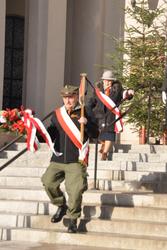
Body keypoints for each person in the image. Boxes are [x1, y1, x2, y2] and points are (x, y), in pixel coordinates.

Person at [41, 85, 98, 233]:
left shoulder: (85, 112)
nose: (68, 100)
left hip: (75, 159)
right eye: (65, 97)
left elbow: (96, 133)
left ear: (75, 97)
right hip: (58, 158)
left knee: (75, 190)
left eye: (71, 97)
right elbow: (51, 133)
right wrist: (38, 134)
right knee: (48, 182)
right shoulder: (57, 115)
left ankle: (73, 219)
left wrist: (87, 124)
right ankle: (61, 205)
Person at [86, 70, 133, 160]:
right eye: (106, 80)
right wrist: (87, 108)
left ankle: (105, 153)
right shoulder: (98, 90)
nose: (107, 82)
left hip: (111, 116)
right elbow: (93, 100)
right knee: (99, 135)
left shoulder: (117, 88)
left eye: (110, 81)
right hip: (99, 115)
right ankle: (103, 144)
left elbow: (124, 94)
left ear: (113, 81)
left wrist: (129, 92)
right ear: (103, 80)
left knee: (109, 135)